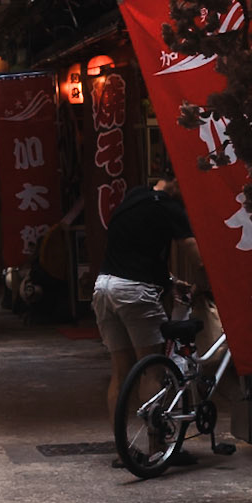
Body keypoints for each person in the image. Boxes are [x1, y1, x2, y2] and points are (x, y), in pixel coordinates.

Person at [91, 173, 192, 415]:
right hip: (134, 292)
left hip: (104, 286)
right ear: (177, 182)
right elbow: (192, 249)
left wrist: (170, 280)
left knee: (121, 372)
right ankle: (157, 449)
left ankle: (122, 448)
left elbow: (137, 252)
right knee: (152, 370)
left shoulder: (133, 199)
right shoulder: (168, 207)